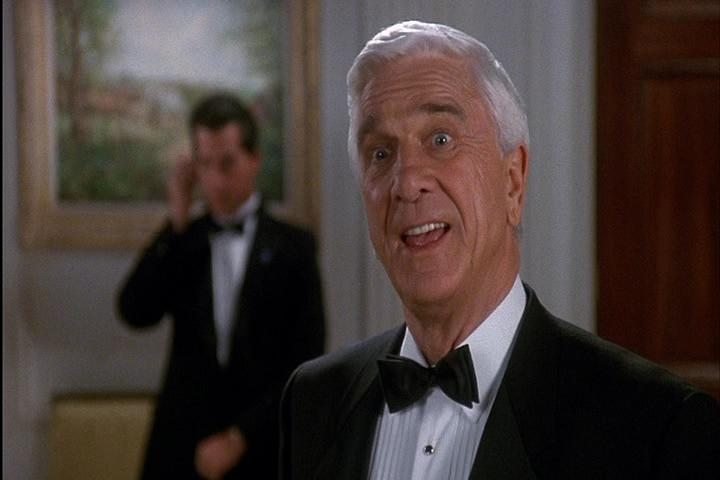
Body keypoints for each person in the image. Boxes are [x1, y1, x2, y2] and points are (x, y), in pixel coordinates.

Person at [279, 21, 720, 479]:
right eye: (380, 154)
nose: (407, 183)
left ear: (513, 182)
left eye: (441, 140)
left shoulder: (653, 428)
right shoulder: (313, 400)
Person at [118, 93, 325, 479]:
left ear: (254, 159)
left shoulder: (294, 248)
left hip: (263, 454)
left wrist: (240, 437)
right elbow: (134, 311)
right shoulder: (184, 241)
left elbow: (307, 362)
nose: (214, 180)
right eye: (204, 164)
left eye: (227, 163)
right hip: (181, 456)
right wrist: (176, 223)